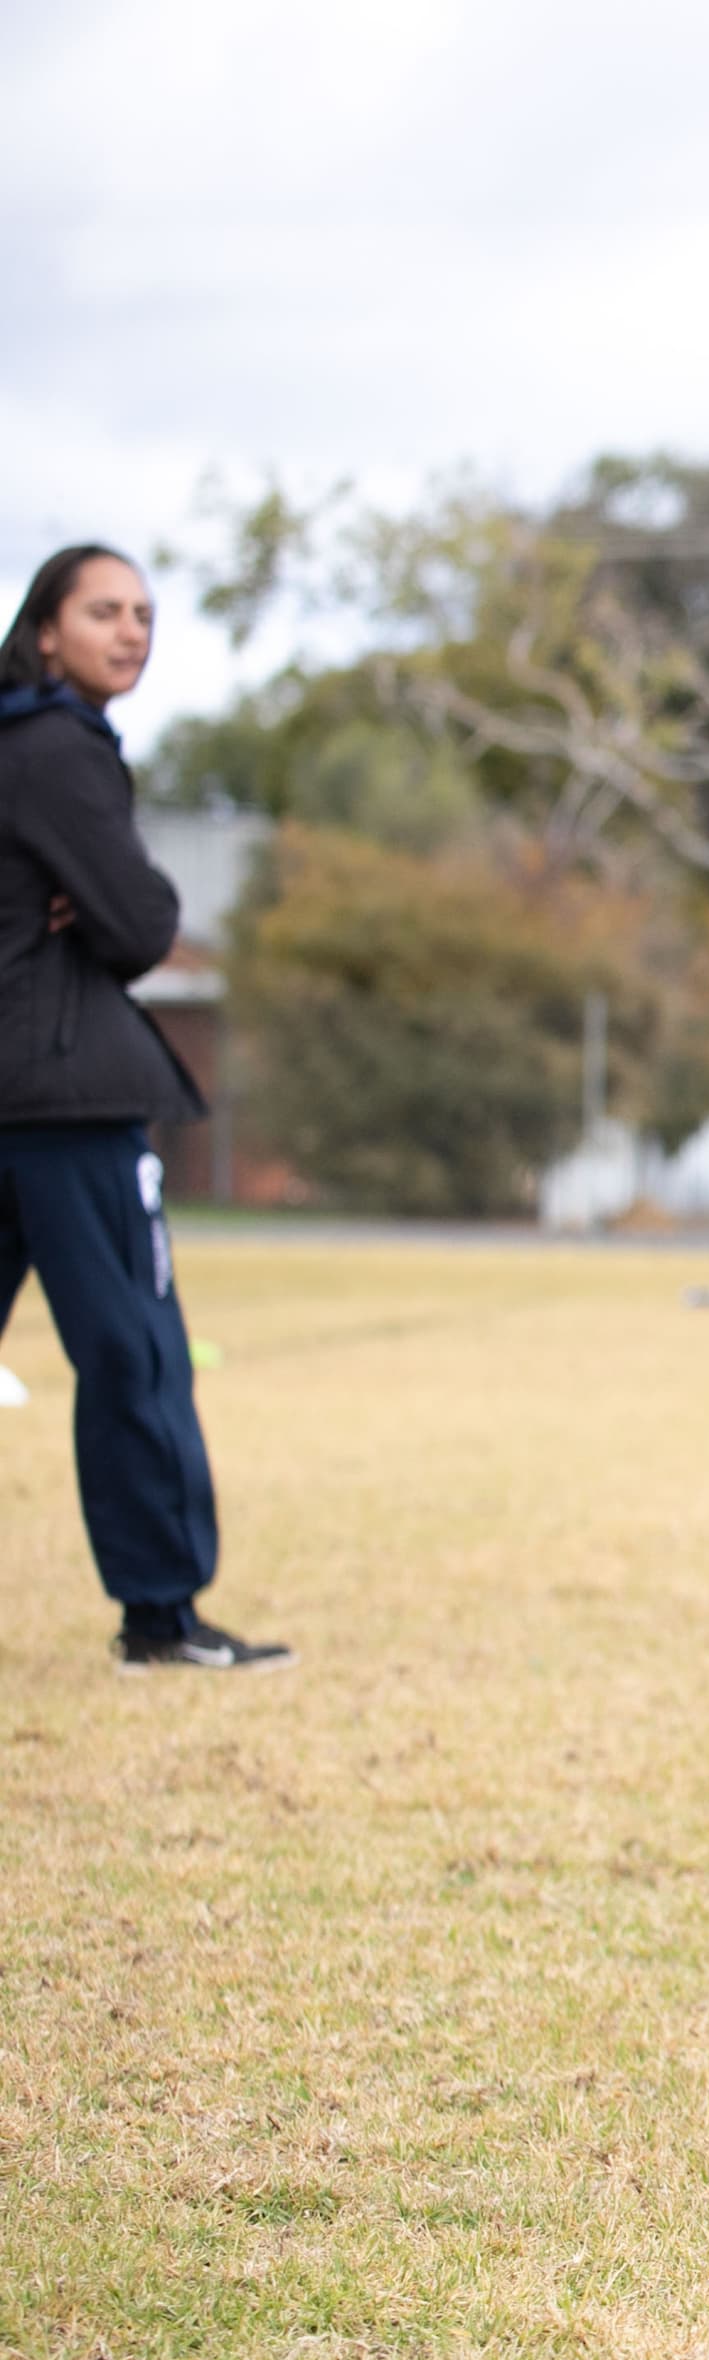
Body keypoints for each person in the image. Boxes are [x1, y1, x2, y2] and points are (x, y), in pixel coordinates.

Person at [0, 546, 288, 1674]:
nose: (131, 632)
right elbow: (139, 923)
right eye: (104, 611)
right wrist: (113, 896)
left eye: (146, 615)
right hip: (67, 1102)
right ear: (46, 629)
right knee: (136, 1352)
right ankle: (162, 1613)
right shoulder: (58, 747)